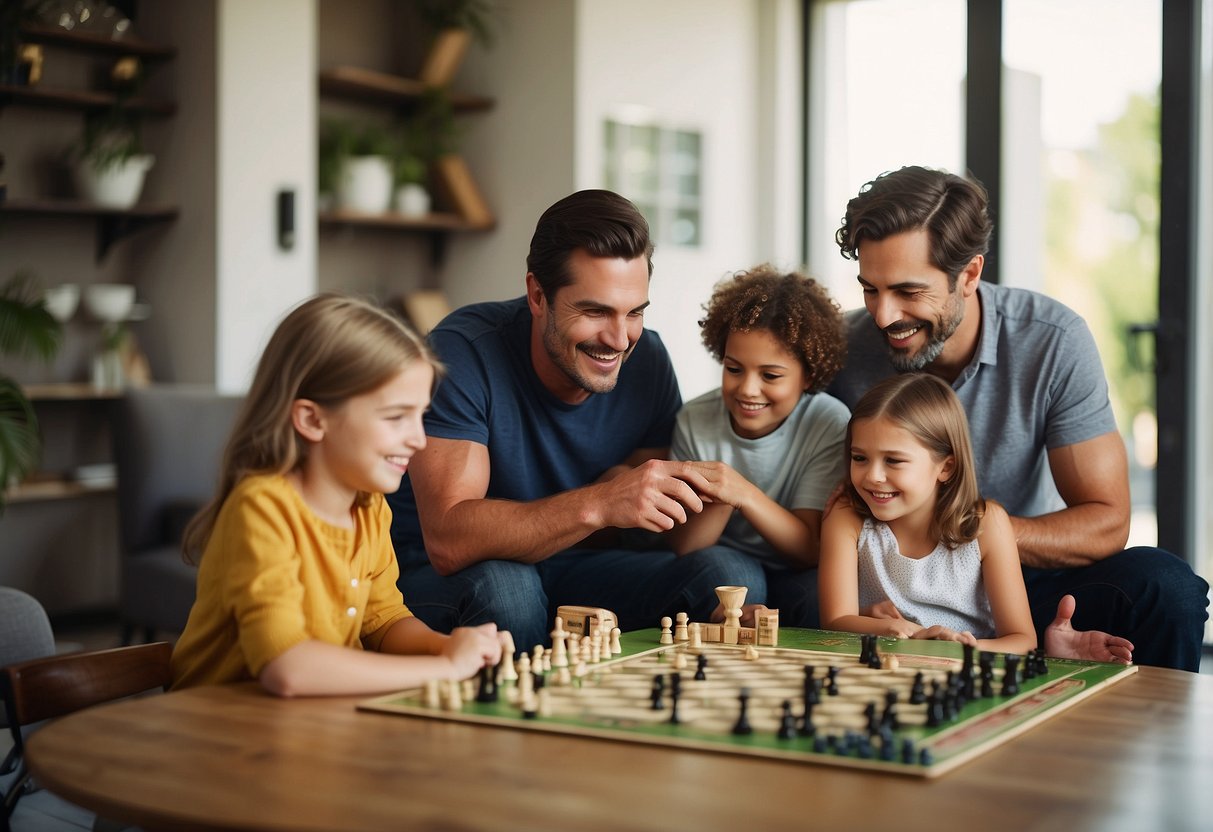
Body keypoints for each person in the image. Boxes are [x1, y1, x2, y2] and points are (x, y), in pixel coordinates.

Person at [829, 165, 1208, 669]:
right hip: (888, 581)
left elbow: (1106, 520)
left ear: (969, 274)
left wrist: (972, 538)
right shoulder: (841, 348)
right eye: (870, 289)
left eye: (908, 291)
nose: (883, 316)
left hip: (1022, 579)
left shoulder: (1052, 340)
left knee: (1168, 587)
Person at [387, 190, 765, 653]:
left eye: (635, 312)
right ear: (537, 294)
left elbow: (639, 522)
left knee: (731, 573)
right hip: (453, 577)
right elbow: (449, 538)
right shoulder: (462, 352)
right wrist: (601, 501)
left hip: (580, 568)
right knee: (508, 588)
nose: (619, 338)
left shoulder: (647, 360)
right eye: (594, 311)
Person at [171, 295, 502, 696]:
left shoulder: (369, 505)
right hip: (217, 733)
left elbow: (383, 621)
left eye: (421, 415)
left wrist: (449, 646)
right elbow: (288, 669)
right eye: (396, 416)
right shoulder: (263, 508)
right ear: (312, 419)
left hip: (309, 725)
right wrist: (445, 669)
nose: (418, 439)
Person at [668, 265, 850, 627]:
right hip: (726, 561)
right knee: (738, 578)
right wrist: (721, 497)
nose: (748, 389)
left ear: (808, 376)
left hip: (797, 567)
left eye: (770, 376)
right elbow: (687, 549)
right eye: (734, 369)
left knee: (819, 595)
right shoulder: (695, 420)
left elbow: (812, 548)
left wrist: (741, 492)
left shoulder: (828, 422)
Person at [822, 373, 1036, 655]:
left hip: (965, 672)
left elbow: (1022, 639)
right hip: (886, 666)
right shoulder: (846, 517)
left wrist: (957, 649)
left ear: (945, 467)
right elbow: (834, 621)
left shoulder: (987, 523)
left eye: (894, 460)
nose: (872, 476)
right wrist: (898, 632)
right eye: (860, 458)